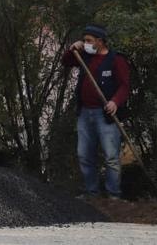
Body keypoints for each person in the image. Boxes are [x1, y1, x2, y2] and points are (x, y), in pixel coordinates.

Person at [61, 24, 130, 199]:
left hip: (105, 115)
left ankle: (114, 195)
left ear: (100, 42)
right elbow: (66, 62)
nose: (86, 44)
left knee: (111, 156)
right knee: (84, 154)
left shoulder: (116, 60)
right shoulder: (84, 56)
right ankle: (92, 193)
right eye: (84, 41)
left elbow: (124, 86)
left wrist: (115, 102)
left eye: (89, 41)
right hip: (85, 113)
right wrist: (73, 49)